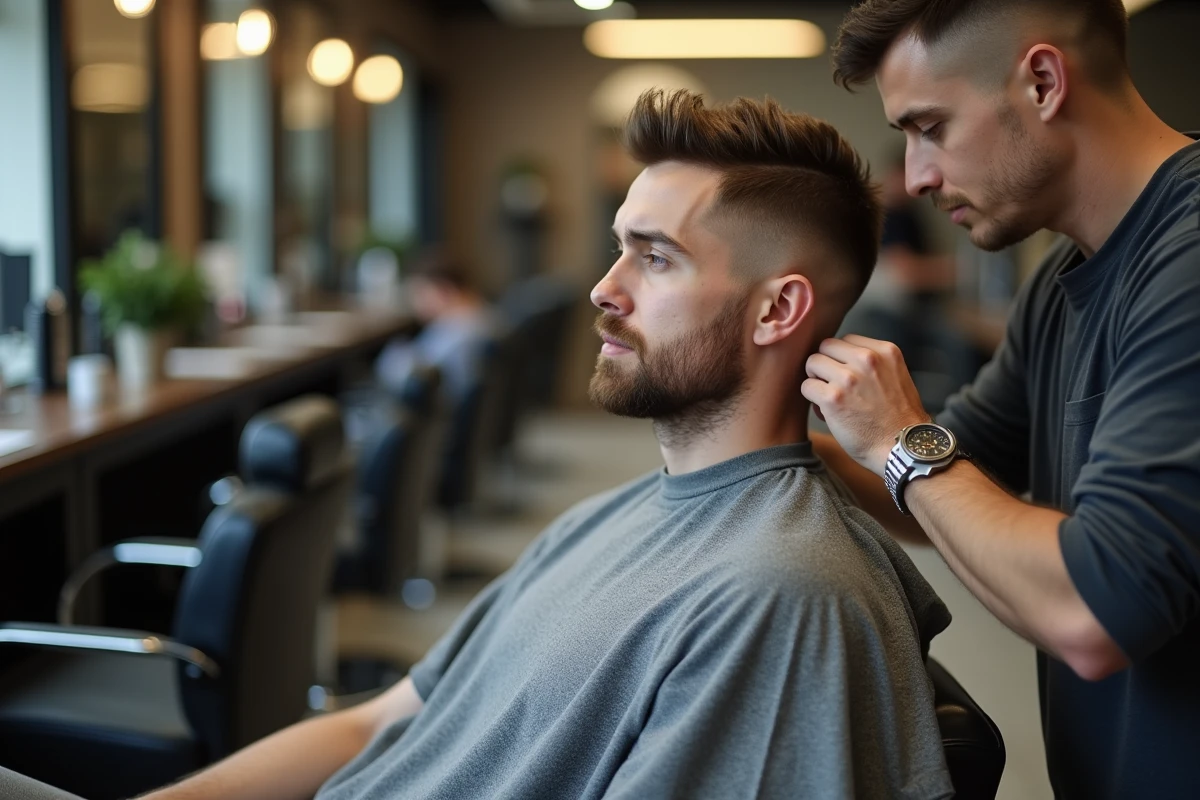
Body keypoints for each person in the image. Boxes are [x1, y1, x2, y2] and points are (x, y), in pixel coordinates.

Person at [128, 90, 955, 800]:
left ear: (778, 311)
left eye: (656, 259)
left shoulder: (782, 596)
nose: (604, 288)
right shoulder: (597, 520)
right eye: (619, 247)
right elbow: (373, 726)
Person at [804, 1, 1200, 798]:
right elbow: (942, 484)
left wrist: (896, 437)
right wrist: (764, 428)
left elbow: (1096, 609)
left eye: (930, 127)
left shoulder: (1188, 258)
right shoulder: (1058, 285)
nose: (914, 177)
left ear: (1044, 82)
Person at [374, 253, 497, 407]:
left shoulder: (457, 330)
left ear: (445, 290)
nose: (415, 304)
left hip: (441, 414)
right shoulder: (483, 314)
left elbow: (412, 375)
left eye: (420, 293)